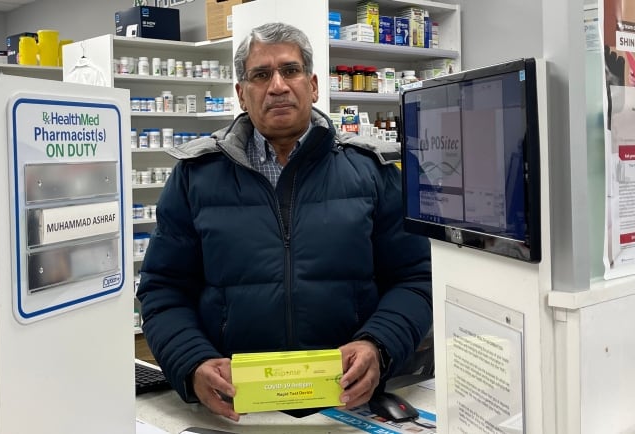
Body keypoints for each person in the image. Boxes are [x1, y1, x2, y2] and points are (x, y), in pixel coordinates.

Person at [137, 22, 432, 422]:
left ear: (312, 85)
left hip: (347, 407)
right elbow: (163, 290)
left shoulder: (372, 172)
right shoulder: (196, 177)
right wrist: (192, 362)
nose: (277, 86)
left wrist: (379, 345)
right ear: (242, 94)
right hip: (236, 409)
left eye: (290, 71)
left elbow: (416, 279)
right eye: (261, 75)